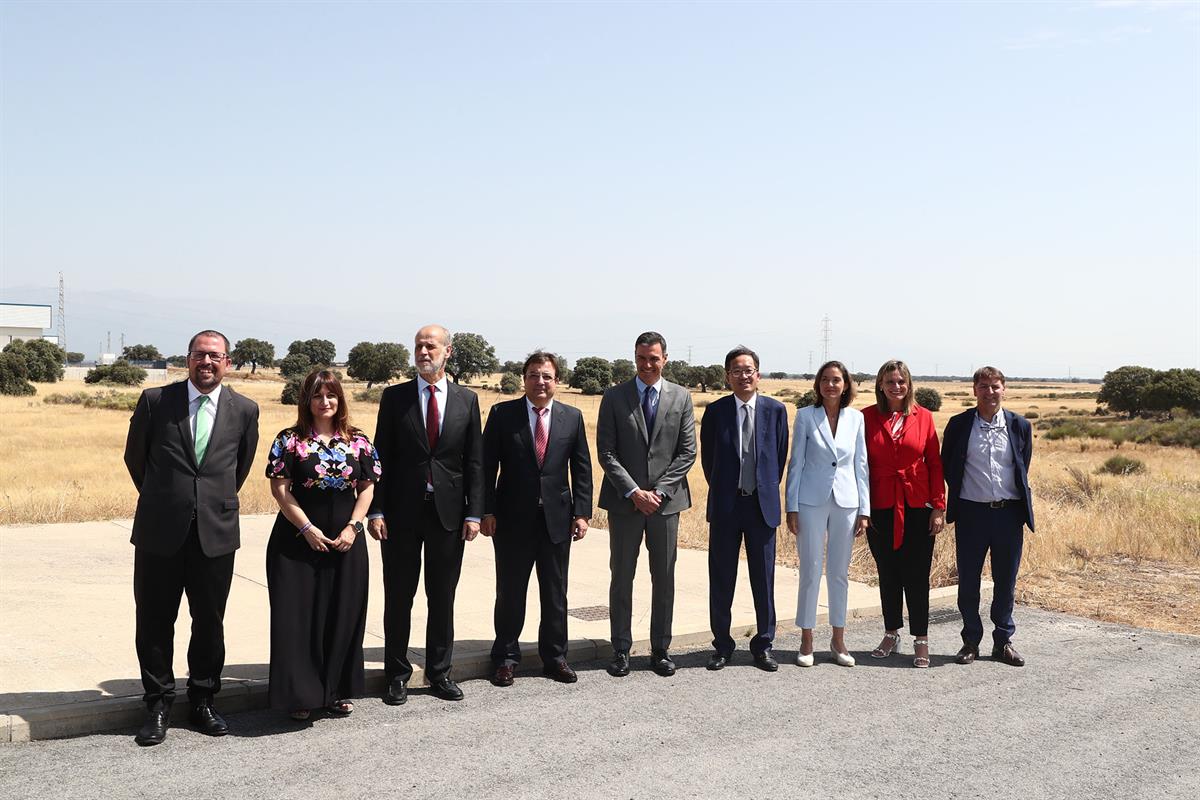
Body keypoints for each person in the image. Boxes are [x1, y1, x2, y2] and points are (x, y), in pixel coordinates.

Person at [123, 329, 260, 746]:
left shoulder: (245, 409)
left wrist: (206, 500)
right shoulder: (155, 401)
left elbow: (240, 467)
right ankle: (159, 703)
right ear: (187, 359)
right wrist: (171, 498)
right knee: (154, 622)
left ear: (228, 362)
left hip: (215, 534)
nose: (207, 362)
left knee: (209, 623)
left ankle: (203, 701)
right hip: (159, 531)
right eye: (200, 355)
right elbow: (136, 459)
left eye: (215, 356)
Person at [367, 325, 484, 704]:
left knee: (441, 596)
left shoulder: (467, 400)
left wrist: (474, 514)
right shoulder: (395, 397)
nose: (422, 352)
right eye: (418, 346)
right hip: (400, 514)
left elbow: (475, 463)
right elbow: (379, 457)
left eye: (429, 346)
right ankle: (397, 675)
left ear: (447, 351)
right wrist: (377, 509)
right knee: (399, 596)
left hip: (449, 515)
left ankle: (439, 673)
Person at [264, 370, 380, 720]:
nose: (325, 402)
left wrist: (354, 527)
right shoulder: (289, 440)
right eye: (317, 396)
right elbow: (280, 489)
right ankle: (301, 694)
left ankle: (335, 690)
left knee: (342, 614)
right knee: (297, 618)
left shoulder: (358, 440)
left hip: (346, 541)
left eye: (331, 395)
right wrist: (308, 529)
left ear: (340, 399)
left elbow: (368, 486)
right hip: (297, 539)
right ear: (307, 401)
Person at [481, 352, 593, 686]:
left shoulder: (571, 418)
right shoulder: (503, 414)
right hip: (512, 520)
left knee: (556, 592)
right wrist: (486, 510)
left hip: (557, 521)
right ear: (524, 379)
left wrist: (582, 513)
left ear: (557, 381)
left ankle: (555, 657)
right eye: (533, 375)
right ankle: (505, 658)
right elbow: (487, 467)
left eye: (546, 376)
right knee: (511, 592)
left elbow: (582, 468)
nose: (539, 382)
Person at [596, 331, 696, 677]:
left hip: (665, 507)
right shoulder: (614, 396)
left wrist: (659, 492)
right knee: (621, 576)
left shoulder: (681, 397)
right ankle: (621, 649)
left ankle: (660, 649)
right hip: (626, 505)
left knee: (663, 578)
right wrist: (635, 492)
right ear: (634, 357)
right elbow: (606, 453)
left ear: (664, 358)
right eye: (641, 358)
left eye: (653, 358)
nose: (647, 365)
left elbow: (687, 452)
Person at [699, 346, 789, 672]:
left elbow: (778, 459)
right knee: (722, 578)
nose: (743, 375)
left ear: (758, 374)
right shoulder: (716, 412)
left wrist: (760, 489)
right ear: (728, 377)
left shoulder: (776, 411)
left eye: (748, 369)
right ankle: (722, 646)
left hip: (761, 507)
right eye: (736, 370)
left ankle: (764, 644)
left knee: (763, 580)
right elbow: (709, 462)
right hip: (726, 506)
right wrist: (729, 488)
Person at [941, 366, 1034, 667]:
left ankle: (1003, 641)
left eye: (995, 386)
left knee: (1005, 581)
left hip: (1008, 515)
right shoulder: (958, 425)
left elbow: (1022, 466)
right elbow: (948, 466)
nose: (989, 392)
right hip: (971, 514)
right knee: (968, 581)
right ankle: (970, 641)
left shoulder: (1019, 426)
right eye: (983, 386)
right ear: (974, 390)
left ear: (1004, 388)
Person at [861, 360, 946, 669]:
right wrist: (862, 508)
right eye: (889, 382)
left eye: (901, 381)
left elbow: (935, 463)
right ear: (880, 385)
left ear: (909, 385)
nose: (896, 387)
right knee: (888, 572)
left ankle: (921, 640)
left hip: (917, 506)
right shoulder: (866, 418)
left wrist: (938, 505)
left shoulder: (923, 417)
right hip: (880, 505)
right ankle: (891, 633)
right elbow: (860, 465)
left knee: (916, 574)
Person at [785, 360, 869, 667]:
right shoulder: (807, 416)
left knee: (838, 573)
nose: (831, 385)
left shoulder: (856, 419)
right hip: (810, 500)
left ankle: (838, 640)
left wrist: (865, 510)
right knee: (810, 570)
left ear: (846, 384)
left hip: (847, 501)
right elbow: (796, 463)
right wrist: (791, 506)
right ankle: (806, 641)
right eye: (825, 380)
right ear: (818, 385)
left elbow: (861, 464)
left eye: (836, 380)